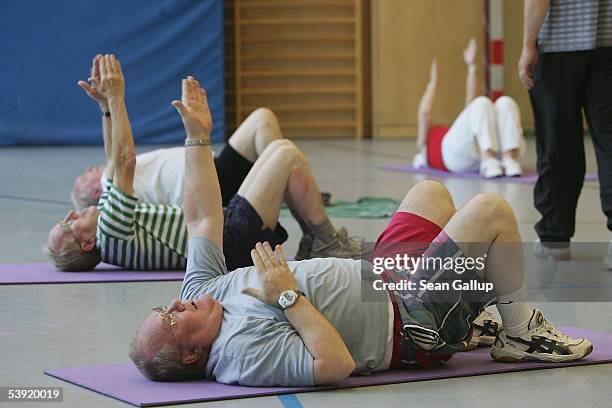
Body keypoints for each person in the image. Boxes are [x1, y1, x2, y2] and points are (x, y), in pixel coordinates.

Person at [129, 77, 592, 384]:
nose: (175, 302)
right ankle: (518, 332)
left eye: (162, 306)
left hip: (383, 278)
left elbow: (204, 218)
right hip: (411, 322)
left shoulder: (201, 290)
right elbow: (334, 365)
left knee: (429, 192)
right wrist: (288, 296)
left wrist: (197, 138)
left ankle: (472, 316)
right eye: (171, 318)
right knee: (490, 210)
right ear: (192, 354)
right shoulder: (238, 354)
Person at [45, 55, 364, 272]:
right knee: (284, 153)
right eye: (68, 224)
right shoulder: (110, 232)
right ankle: (327, 242)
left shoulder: (111, 233)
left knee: (279, 147)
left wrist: (106, 108)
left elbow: (114, 164)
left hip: (222, 228)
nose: (71, 214)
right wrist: (117, 97)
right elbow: (124, 161)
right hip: (226, 240)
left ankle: (319, 239)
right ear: (87, 243)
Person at [72, 57, 284, 209]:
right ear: (95, 193)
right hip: (211, 188)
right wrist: (114, 98)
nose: (89, 168)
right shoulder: (112, 190)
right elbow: (118, 156)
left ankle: (292, 194)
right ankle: (297, 202)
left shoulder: (113, 175)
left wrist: (106, 107)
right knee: (262, 122)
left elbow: (112, 154)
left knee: (267, 128)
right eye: (84, 176)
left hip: (215, 172)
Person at [518, 0, 612, 263]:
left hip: (559, 43)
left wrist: (528, 45)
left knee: (557, 141)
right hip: (609, 41)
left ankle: (554, 238)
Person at [412, 38, 525, 178]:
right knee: (481, 103)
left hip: (472, 156)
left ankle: (509, 159)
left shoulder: (457, 133)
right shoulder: (424, 142)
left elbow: (470, 107)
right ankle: (488, 159)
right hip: (452, 159)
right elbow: (425, 112)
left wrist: (472, 68)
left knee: (505, 103)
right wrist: (432, 83)